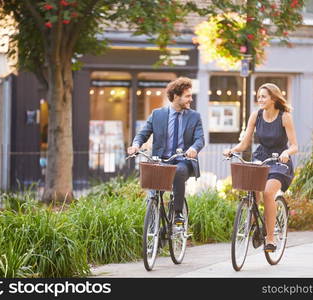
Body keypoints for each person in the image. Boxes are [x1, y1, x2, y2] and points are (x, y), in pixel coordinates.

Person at [223, 83, 298, 252]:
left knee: (268, 192)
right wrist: (232, 150)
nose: (260, 99)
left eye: (263, 96)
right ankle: (257, 224)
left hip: (279, 161)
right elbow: (244, 144)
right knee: (253, 194)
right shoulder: (256, 116)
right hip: (261, 158)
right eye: (258, 97)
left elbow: (295, 145)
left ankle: (270, 238)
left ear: (273, 98)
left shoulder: (284, 117)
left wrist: (286, 152)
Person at [127, 77, 205, 225]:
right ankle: (155, 227)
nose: (191, 99)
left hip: (183, 161)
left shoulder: (195, 117)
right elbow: (143, 133)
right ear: (176, 97)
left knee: (179, 171)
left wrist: (194, 148)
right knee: (154, 194)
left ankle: (177, 213)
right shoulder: (158, 114)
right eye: (187, 96)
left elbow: (200, 139)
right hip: (161, 160)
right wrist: (136, 145)